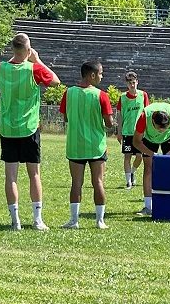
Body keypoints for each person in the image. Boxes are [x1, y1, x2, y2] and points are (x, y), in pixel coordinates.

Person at [0, 33, 60, 231]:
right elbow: (56, 81)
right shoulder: (34, 68)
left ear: (12, 49)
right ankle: (37, 220)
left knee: (11, 176)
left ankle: (16, 221)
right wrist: (37, 60)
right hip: (29, 127)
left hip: (8, 127)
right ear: (28, 50)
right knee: (34, 175)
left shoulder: (0, 68)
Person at [59, 61, 113, 230]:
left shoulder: (69, 93)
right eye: (100, 73)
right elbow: (109, 123)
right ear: (92, 75)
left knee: (76, 183)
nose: (102, 76)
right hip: (96, 146)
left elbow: (65, 118)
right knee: (98, 182)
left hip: (75, 145)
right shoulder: (101, 95)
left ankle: (74, 220)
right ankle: (99, 221)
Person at [132, 102, 170, 215]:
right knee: (148, 168)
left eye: (164, 128)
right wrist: (151, 154)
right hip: (149, 138)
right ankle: (148, 206)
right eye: (159, 129)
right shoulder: (145, 116)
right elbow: (136, 142)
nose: (161, 131)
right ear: (153, 121)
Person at [116, 71, 149, 189]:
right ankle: (128, 182)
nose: (132, 85)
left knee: (139, 157)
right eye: (130, 83)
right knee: (127, 156)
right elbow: (119, 115)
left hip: (139, 133)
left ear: (137, 82)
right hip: (127, 132)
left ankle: (132, 172)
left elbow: (147, 112)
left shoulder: (143, 95)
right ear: (127, 84)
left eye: (134, 83)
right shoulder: (123, 97)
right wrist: (119, 132)